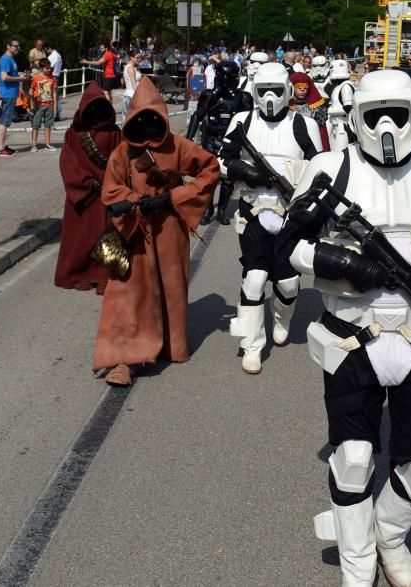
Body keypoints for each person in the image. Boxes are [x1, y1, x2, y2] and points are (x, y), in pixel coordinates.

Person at [275, 69, 411, 586]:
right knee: (353, 460)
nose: (386, 125)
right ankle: (358, 560)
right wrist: (342, 264)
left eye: (396, 113)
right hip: (351, 336)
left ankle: (387, 535)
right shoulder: (331, 169)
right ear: (356, 118)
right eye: (374, 114)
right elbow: (286, 247)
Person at [93, 77, 221, 386]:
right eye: (142, 117)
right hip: (134, 233)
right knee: (127, 294)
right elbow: (111, 191)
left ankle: (171, 344)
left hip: (169, 231)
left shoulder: (178, 146)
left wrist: (176, 196)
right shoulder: (123, 153)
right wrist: (137, 202)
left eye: (153, 117)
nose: (148, 124)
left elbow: (210, 169)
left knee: (172, 287)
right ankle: (125, 360)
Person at [219, 62, 323, 374]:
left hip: (290, 216)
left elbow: (321, 169)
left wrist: (306, 201)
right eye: (262, 91)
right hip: (252, 211)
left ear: (287, 92)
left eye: (274, 91)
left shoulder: (303, 125)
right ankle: (251, 343)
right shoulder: (242, 121)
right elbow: (222, 161)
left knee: (289, 285)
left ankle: (282, 316)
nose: (268, 97)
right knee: (253, 280)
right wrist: (246, 171)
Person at [55, 83, 123, 294]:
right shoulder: (73, 134)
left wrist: (115, 185)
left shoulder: (114, 133)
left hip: (105, 193)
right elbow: (68, 163)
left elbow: (120, 160)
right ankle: (79, 273)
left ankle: (104, 275)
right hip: (84, 196)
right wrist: (86, 184)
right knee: (80, 238)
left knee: (106, 235)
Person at [186, 60, 254, 225]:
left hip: (231, 141)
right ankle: (208, 209)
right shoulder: (209, 94)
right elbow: (198, 115)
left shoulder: (243, 96)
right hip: (211, 138)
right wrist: (187, 140)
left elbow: (251, 120)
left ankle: (222, 209)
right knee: (208, 177)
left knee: (228, 179)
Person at [0, 37, 30, 157]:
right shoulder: (6, 60)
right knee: (5, 121)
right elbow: (4, 77)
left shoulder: (10, 60)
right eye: (15, 46)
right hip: (7, 94)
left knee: (6, 120)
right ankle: (0, 149)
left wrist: (20, 75)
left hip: (10, 93)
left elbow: (11, 75)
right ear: (8, 46)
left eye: (18, 46)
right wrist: (21, 78)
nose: (18, 48)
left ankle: (2, 146)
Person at [289, 71, 330, 151]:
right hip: (293, 143)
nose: (303, 90)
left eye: (305, 88)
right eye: (299, 87)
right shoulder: (287, 107)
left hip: (313, 143)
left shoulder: (317, 108)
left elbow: (322, 133)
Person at [29, 59, 58, 152]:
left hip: (49, 104)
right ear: (41, 68)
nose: (49, 70)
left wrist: (55, 106)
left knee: (48, 125)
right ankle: (34, 144)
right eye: (47, 68)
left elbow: (54, 93)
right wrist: (32, 103)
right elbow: (31, 91)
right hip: (39, 105)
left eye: (50, 68)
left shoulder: (51, 79)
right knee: (36, 124)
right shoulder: (36, 78)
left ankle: (48, 144)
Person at [45, 42, 64, 120]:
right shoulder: (59, 55)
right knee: (56, 95)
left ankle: (53, 114)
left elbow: (49, 67)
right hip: (57, 75)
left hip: (52, 76)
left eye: (46, 49)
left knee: (50, 96)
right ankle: (57, 113)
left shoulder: (51, 57)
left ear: (49, 48)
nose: (46, 51)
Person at [122, 51, 141, 118]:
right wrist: (140, 97)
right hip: (132, 96)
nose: (139, 59)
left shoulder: (129, 67)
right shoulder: (131, 68)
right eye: (137, 58)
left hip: (128, 95)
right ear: (131, 57)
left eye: (139, 57)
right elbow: (134, 85)